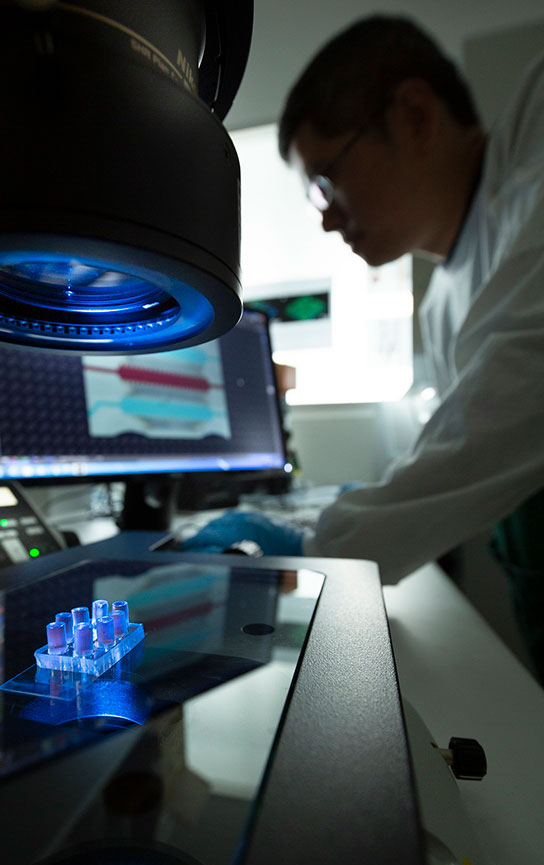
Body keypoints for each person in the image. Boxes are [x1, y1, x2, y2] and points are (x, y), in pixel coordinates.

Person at [182, 15, 544, 679]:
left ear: (412, 113)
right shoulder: (441, 309)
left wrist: (318, 537)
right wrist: (362, 500)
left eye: (326, 177)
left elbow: (522, 384)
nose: (324, 216)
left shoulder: (537, 119)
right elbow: (450, 444)